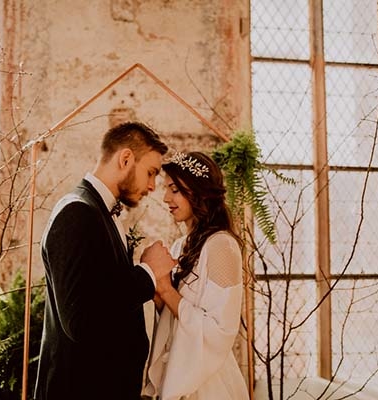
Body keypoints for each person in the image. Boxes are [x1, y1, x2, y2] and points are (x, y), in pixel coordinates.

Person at [34, 121, 177, 400]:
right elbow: (81, 321)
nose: (151, 186)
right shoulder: (77, 213)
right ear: (125, 158)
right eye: (150, 173)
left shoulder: (100, 212)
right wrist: (148, 273)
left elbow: (104, 293)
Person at [144, 151, 250, 400]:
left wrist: (166, 289)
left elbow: (220, 331)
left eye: (174, 189)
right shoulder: (179, 246)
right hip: (177, 370)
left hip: (208, 383)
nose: (166, 198)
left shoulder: (221, 247)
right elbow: (174, 319)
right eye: (166, 188)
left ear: (198, 193)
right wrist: (156, 292)